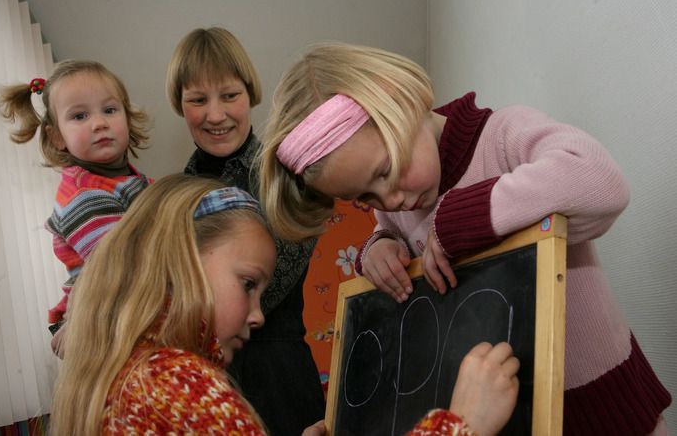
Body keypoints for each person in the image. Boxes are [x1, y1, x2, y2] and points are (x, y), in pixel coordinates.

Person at [256, 42, 671, 435]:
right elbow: (389, 229)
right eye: (365, 196)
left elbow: (601, 181)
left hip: (594, 397)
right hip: (507, 411)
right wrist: (378, 248)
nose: (392, 199)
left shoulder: (503, 136)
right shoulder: (396, 205)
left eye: (385, 171)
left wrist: (465, 216)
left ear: (402, 99)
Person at [48, 174, 520, 436]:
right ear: (178, 262)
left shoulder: (128, 373)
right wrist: (461, 427)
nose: (258, 313)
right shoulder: (177, 384)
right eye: (248, 284)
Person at [166, 27, 324, 435]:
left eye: (229, 95)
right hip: (204, 376)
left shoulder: (283, 174)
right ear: (180, 105)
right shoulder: (177, 191)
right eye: (197, 100)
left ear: (249, 93)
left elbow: (269, 287)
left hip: (277, 376)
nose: (215, 115)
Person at [0, 60, 152, 357]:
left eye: (109, 110)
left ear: (127, 117)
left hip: (124, 306)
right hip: (95, 321)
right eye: (80, 116)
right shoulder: (84, 199)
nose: (99, 123)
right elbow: (127, 265)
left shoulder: (130, 180)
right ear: (57, 136)